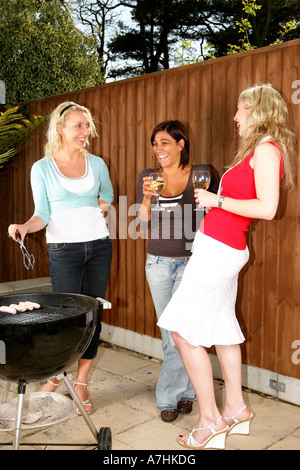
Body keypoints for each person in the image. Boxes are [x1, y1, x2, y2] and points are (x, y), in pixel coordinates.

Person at [158, 84, 294, 449]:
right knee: (221, 328)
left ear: (257, 110)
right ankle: (235, 409)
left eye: (240, 110)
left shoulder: (266, 150)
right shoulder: (259, 149)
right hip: (219, 247)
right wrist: (216, 208)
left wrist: (217, 199)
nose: (235, 117)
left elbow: (267, 208)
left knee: (181, 332)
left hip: (220, 251)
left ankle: (210, 420)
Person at [8, 101, 114, 414]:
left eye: (87, 126)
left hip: (99, 246)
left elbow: (106, 196)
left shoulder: (97, 163)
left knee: (94, 312)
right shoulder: (41, 168)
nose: (85, 132)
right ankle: (56, 375)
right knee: (63, 315)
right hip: (63, 250)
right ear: (60, 129)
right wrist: (25, 227)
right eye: (78, 126)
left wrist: (96, 210)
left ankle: (80, 381)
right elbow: (42, 213)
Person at [136, 120, 219, 422]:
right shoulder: (148, 177)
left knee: (185, 331)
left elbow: (214, 215)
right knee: (171, 332)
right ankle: (187, 393)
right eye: (155, 143)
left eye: (164, 142)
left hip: (191, 262)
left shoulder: (202, 174)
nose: (158, 149)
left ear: (181, 144)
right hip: (157, 263)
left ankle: (167, 397)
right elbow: (143, 222)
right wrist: (146, 197)